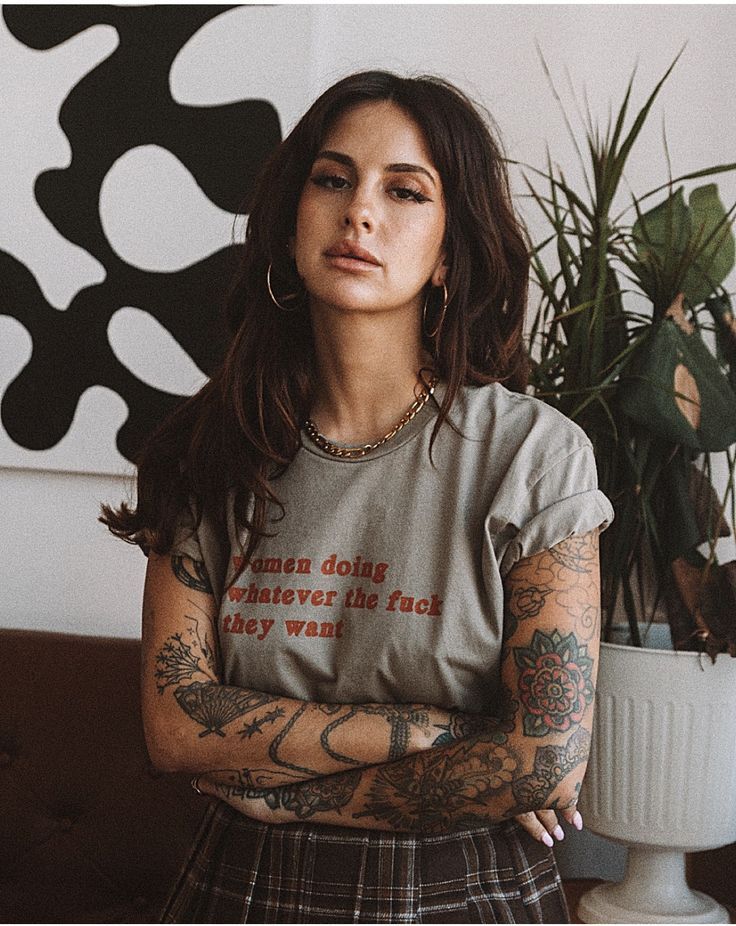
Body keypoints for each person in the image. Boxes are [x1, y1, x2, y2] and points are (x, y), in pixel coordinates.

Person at [100, 70, 614, 923]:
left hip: (463, 885)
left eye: (405, 191)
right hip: (241, 886)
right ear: (292, 216)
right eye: (333, 179)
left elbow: (541, 763)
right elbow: (176, 725)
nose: (359, 212)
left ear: (450, 252)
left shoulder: (533, 455)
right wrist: (450, 731)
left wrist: (285, 793)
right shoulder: (210, 449)